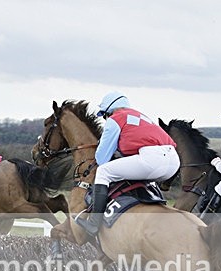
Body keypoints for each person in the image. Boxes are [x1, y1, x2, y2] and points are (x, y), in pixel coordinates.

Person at [76, 91, 180, 236]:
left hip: (152, 159)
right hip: (173, 161)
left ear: (108, 111)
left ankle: (93, 223)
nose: (106, 119)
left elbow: (101, 159)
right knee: (141, 174)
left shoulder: (115, 118)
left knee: (104, 171)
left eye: (105, 116)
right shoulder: (139, 115)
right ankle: (156, 202)